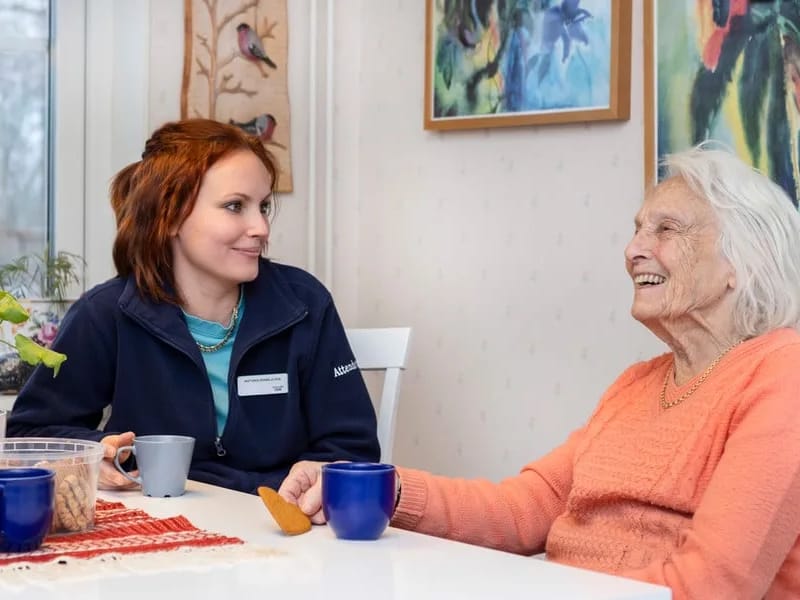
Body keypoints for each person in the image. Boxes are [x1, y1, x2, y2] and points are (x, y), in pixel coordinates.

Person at [278, 144, 800, 599]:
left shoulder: (782, 377)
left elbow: (712, 585)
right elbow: (525, 508)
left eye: (666, 229)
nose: (632, 249)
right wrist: (381, 488)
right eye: (638, 228)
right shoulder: (639, 383)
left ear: (742, 261)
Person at [7, 118, 380, 493]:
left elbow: (353, 449)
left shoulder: (305, 303)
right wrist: (97, 453)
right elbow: (31, 434)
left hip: (281, 527)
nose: (261, 228)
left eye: (263, 207)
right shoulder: (106, 313)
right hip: (163, 524)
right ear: (170, 217)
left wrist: (317, 475)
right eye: (235, 206)